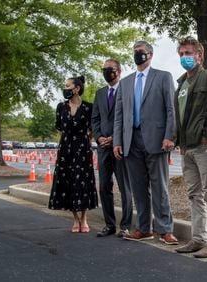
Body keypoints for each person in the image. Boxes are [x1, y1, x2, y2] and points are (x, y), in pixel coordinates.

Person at [113, 40, 178, 245]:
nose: (137, 55)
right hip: (131, 140)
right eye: (134, 52)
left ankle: (165, 229)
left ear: (150, 55)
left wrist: (170, 136)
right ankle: (143, 228)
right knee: (139, 188)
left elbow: (171, 109)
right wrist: (117, 141)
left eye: (140, 52)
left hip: (157, 140)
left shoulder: (163, 77)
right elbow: (119, 115)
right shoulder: (125, 82)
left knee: (160, 187)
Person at [173, 36, 207, 258]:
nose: (185, 57)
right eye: (182, 53)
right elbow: (180, 115)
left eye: (189, 53)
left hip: (204, 146)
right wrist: (180, 141)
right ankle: (198, 239)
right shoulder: (182, 83)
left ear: (200, 55)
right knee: (194, 194)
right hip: (187, 148)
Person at [49, 76, 98, 233]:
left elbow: (92, 129)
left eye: (68, 86)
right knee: (68, 180)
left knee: (82, 181)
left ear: (77, 88)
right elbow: (60, 127)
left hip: (83, 147)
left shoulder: (89, 107)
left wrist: (85, 140)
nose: (65, 89)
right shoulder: (61, 107)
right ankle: (75, 219)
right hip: (66, 148)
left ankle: (84, 218)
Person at [92, 59, 133, 238]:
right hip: (103, 148)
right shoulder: (100, 94)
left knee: (125, 187)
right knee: (104, 187)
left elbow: (129, 117)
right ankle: (109, 224)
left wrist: (115, 139)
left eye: (110, 69)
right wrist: (99, 137)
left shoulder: (127, 90)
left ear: (119, 71)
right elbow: (95, 119)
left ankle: (125, 226)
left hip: (120, 148)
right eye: (104, 69)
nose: (107, 72)